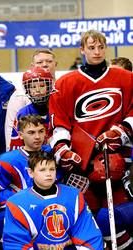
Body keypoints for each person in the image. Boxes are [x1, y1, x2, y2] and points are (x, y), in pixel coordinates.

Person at [49, 29, 133, 249]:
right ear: (82, 49)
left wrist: (119, 133)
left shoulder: (126, 79)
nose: (97, 51)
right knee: (86, 219)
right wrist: (63, 150)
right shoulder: (66, 84)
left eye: (101, 47)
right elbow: (59, 123)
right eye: (91, 47)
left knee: (115, 219)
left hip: (116, 160)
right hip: (81, 164)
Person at [2, 151, 103, 249]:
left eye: (52, 169)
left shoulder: (74, 196)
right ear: (30, 172)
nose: (48, 174)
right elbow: (16, 244)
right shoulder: (16, 203)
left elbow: (88, 236)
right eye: (42, 170)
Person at [5, 48, 57, 151]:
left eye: (49, 61)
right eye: (40, 62)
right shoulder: (19, 97)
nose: (45, 65)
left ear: (55, 64)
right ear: (32, 66)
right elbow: (11, 130)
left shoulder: (62, 92)